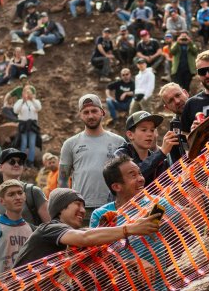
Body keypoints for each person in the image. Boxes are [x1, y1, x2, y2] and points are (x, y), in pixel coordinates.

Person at [14, 188, 159, 266]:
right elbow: (85, 237)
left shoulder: (70, 238)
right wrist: (130, 229)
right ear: (60, 208)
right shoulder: (49, 229)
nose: (83, 211)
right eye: (77, 204)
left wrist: (131, 264)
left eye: (84, 206)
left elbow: (89, 237)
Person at [59, 95, 126, 223]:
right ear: (80, 115)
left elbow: (126, 175)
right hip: (82, 209)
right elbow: (62, 179)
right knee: (83, 243)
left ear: (102, 112)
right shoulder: (70, 144)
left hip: (113, 206)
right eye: (86, 112)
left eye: (94, 111)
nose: (90, 116)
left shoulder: (118, 141)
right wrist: (65, 207)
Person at [0, 149, 49, 225]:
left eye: (20, 162)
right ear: (0, 167)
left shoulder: (33, 192)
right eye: (12, 161)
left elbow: (51, 226)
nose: (16, 164)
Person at [114, 111, 175, 184]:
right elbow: (133, 177)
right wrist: (161, 153)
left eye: (152, 130)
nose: (149, 134)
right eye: (144, 130)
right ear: (130, 135)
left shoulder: (160, 160)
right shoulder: (121, 155)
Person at [0, 180, 34, 277]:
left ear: (25, 196)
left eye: (20, 193)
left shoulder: (33, 230)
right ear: (1, 201)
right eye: (11, 194)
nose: (17, 197)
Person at [180, 50, 209, 133]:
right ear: (198, 74)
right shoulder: (191, 104)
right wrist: (193, 133)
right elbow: (185, 137)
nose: (208, 75)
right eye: (202, 72)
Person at [13, 87, 42, 166]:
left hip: (33, 124)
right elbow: (15, 110)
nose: (28, 95)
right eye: (26, 93)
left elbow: (39, 108)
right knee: (24, 143)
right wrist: (23, 101)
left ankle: (31, 161)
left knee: (32, 143)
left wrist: (32, 99)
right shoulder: (20, 101)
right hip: (24, 124)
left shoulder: (35, 101)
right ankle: (22, 161)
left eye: (29, 93)